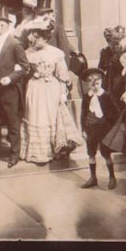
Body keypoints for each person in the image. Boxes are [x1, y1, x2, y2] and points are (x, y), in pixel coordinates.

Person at [20, 18, 82, 164]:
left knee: (51, 117)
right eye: (33, 39)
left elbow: (62, 75)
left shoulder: (56, 53)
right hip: (34, 89)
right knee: (36, 116)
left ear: (45, 37)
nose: (34, 42)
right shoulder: (27, 53)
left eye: (38, 39)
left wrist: (62, 94)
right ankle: (38, 153)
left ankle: (55, 149)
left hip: (51, 90)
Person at [0, 5, 29, 168]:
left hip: (9, 90)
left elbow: (25, 67)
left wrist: (10, 78)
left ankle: (14, 155)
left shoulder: (15, 44)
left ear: (2, 26)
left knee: (12, 122)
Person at [80, 68, 119, 190]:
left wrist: (107, 122)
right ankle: (93, 178)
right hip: (91, 129)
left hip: (104, 129)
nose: (94, 85)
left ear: (101, 81)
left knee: (106, 154)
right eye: (90, 82)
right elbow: (83, 114)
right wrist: (83, 129)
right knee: (91, 154)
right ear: (87, 84)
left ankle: (112, 177)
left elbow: (116, 113)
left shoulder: (106, 96)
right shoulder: (86, 97)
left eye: (97, 82)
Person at [36, 0, 72, 68]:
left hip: (53, 65)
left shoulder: (58, 28)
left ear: (49, 15)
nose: (41, 17)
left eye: (43, 14)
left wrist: (65, 68)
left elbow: (64, 49)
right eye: (39, 14)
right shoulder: (34, 29)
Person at [98, 26, 126, 105]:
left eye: (118, 43)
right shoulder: (104, 52)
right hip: (108, 81)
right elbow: (100, 69)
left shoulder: (123, 51)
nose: (116, 46)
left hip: (120, 82)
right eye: (113, 44)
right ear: (108, 42)